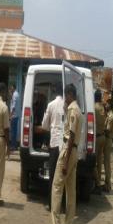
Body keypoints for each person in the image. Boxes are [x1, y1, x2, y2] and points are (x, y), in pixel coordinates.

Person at [43, 84, 82, 224]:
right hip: (74, 152)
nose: (65, 99)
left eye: (67, 96)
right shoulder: (79, 110)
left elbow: (71, 135)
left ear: (70, 95)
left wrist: (65, 162)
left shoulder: (72, 109)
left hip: (67, 150)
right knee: (71, 193)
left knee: (57, 187)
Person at [41, 83, 64, 211]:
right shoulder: (68, 106)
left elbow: (44, 125)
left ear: (55, 92)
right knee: (62, 176)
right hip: (65, 145)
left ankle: (51, 204)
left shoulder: (51, 105)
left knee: (53, 175)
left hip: (54, 144)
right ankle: (60, 203)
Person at [93, 89, 106, 195]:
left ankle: (97, 184)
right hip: (103, 137)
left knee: (93, 162)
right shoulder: (103, 108)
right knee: (99, 162)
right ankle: (98, 183)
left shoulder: (94, 107)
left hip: (97, 138)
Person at [102, 99, 113, 193]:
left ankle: (108, 185)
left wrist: (100, 129)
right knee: (106, 162)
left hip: (108, 139)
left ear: (110, 105)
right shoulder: (109, 115)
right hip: (107, 139)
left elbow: (107, 130)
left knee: (107, 163)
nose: (105, 105)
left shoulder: (111, 117)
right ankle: (107, 184)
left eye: (106, 104)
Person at [9, 84, 20, 152]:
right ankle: (14, 145)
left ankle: (13, 146)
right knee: (14, 131)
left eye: (11, 88)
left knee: (13, 131)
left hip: (14, 116)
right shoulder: (16, 94)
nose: (10, 89)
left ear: (13, 88)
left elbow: (13, 106)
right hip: (16, 115)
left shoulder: (14, 95)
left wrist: (10, 115)